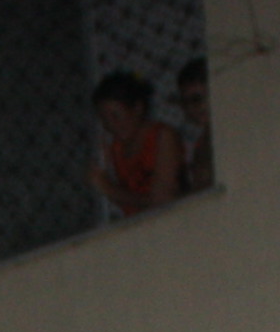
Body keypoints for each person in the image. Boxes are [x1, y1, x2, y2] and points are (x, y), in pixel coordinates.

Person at [89, 70, 185, 218]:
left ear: (138, 109)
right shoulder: (117, 148)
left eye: (116, 116)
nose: (110, 125)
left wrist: (108, 188)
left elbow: (163, 200)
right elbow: (127, 200)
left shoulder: (162, 136)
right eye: (105, 119)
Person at [174, 56, 217, 197]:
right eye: (185, 102)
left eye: (196, 99)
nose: (191, 108)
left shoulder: (229, 131)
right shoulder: (194, 142)